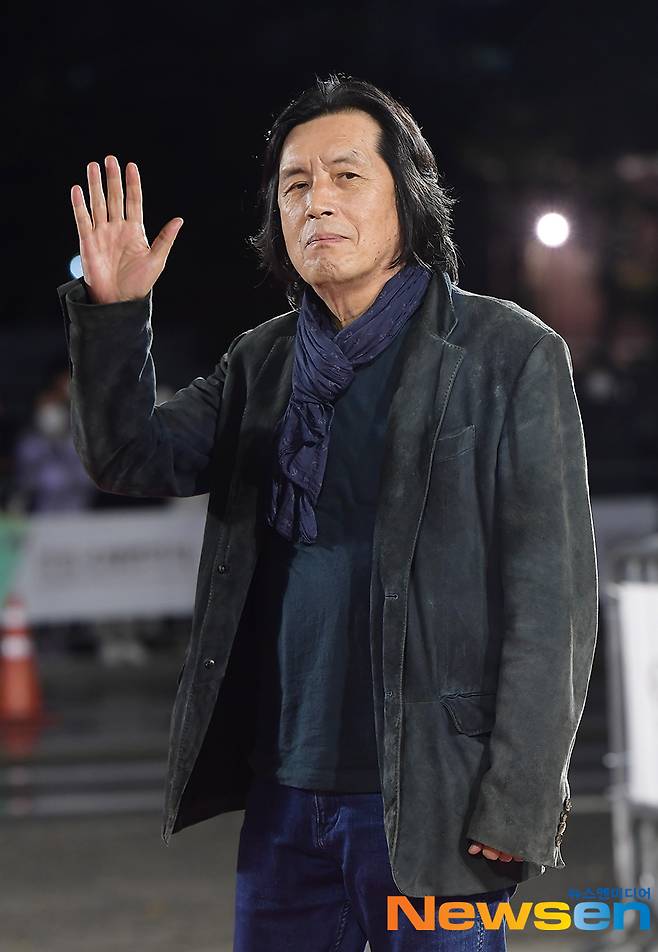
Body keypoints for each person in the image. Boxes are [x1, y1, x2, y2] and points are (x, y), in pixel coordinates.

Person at [57, 75, 599, 951]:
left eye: (347, 176)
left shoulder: (509, 355)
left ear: (407, 199)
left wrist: (520, 801)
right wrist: (115, 317)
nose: (317, 202)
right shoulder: (263, 362)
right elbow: (130, 457)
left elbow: (553, 602)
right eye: (295, 185)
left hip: (435, 795)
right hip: (285, 792)